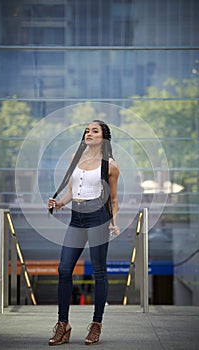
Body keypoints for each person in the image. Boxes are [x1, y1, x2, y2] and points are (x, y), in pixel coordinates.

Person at [48, 120, 120, 346]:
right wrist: (59, 203)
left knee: (99, 271)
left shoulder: (110, 166)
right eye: (87, 130)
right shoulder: (74, 159)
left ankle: (96, 325)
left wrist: (113, 222)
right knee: (64, 269)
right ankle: (63, 325)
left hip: (98, 217)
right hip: (76, 217)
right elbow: (72, 190)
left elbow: (114, 199)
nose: (89, 133)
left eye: (94, 131)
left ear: (104, 137)